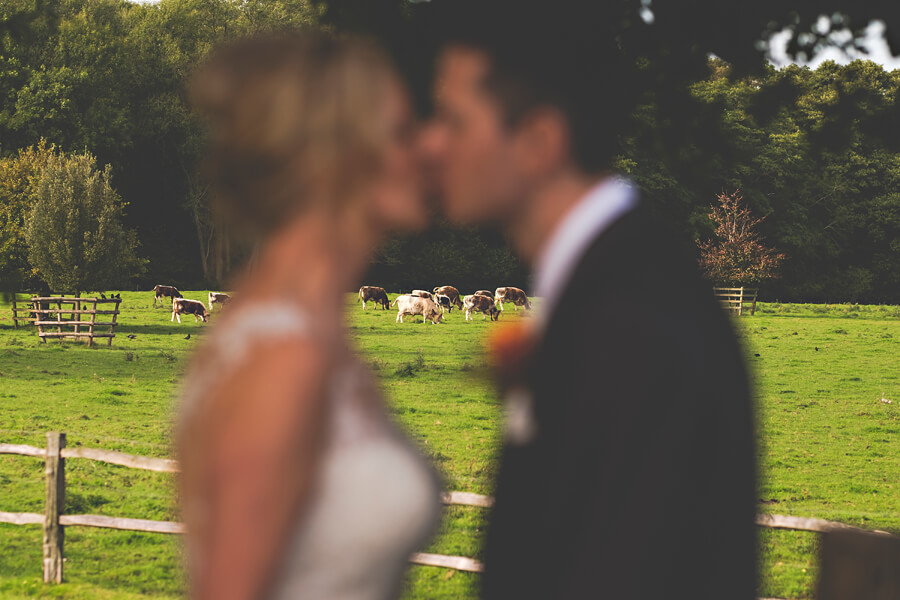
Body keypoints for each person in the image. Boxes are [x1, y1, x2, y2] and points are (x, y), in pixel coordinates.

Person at [421, 3, 758, 598]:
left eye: (453, 120)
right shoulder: (603, 285)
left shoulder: (638, 322)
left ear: (539, 141)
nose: (431, 145)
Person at [177, 33, 440, 600]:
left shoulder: (290, 328)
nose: (429, 148)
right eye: (402, 132)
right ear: (334, 161)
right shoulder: (285, 359)